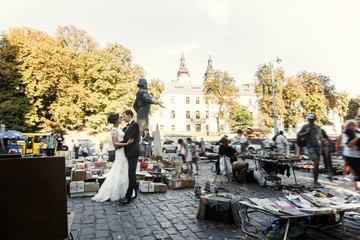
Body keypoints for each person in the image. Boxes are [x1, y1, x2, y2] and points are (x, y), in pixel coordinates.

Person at [92, 113, 134, 202]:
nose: (121, 119)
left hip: (123, 152)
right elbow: (115, 143)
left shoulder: (118, 129)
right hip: (120, 152)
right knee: (119, 170)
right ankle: (118, 192)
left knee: (123, 171)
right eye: (119, 118)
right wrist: (126, 144)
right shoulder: (114, 130)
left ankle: (123, 191)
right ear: (116, 120)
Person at [119, 110, 141, 205]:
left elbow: (129, 139)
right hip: (130, 152)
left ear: (129, 115)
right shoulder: (129, 125)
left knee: (131, 174)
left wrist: (118, 145)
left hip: (133, 152)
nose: (123, 118)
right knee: (132, 173)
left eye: (124, 116)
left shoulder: (134, 125)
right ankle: (135, 192)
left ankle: (128, 196)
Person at [297, 114, 324, 188]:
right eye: (310, 120)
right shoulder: (305, 127)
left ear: (315, 120)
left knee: (317, 165)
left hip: (317, 147)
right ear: (308, 120)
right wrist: (306, 132)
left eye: (312, 120)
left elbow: (320, 137)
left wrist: (323, 141)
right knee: (316, 162)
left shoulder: (318, 128)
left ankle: (316, 181)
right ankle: (315, 181)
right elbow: (298, 135)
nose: (311, 122)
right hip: (310, 146)